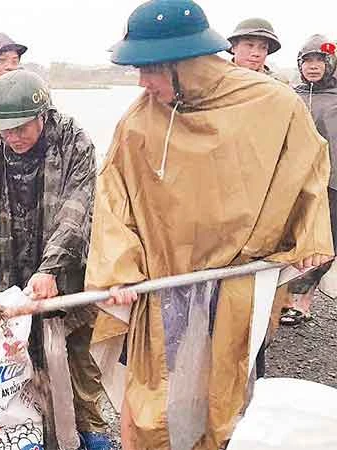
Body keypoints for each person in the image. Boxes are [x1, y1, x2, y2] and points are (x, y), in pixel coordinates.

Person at [90, 1, 333, 448]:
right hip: (166, 287)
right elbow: (113, 200)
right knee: (155, 402)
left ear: (186, 63)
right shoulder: (139, 122)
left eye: (149, 69)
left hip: (238, 283)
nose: (142, 82)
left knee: (229, 398)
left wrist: (312, 234)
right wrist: (118, 272)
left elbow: (310, 166)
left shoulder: (273, 105)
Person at [0, 69, 112, 450]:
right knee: (16, 366)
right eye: (5, 130)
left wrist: (51, 269)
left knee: (75, 363)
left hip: (61, 277)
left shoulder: (74, 143)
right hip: (7, 272)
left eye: (20, 128)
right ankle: (27, 434)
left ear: (42, 116)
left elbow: (76, 211)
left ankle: (91, 435)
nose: (12, 137)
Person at [282, 35, 337, 325]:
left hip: (333, 184)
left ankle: (303, 302)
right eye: (308, 61)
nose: (314, 67)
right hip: (296, 182)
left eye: (320, 60)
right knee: (293, 239)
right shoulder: (291, 96)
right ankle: (286, 299)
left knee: (328, 241)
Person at [227, 17, 289, 83]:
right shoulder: (219, 76)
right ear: (233, 47)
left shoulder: (278, 83)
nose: (256, 53)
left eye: (263, 47)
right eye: (249, 45)